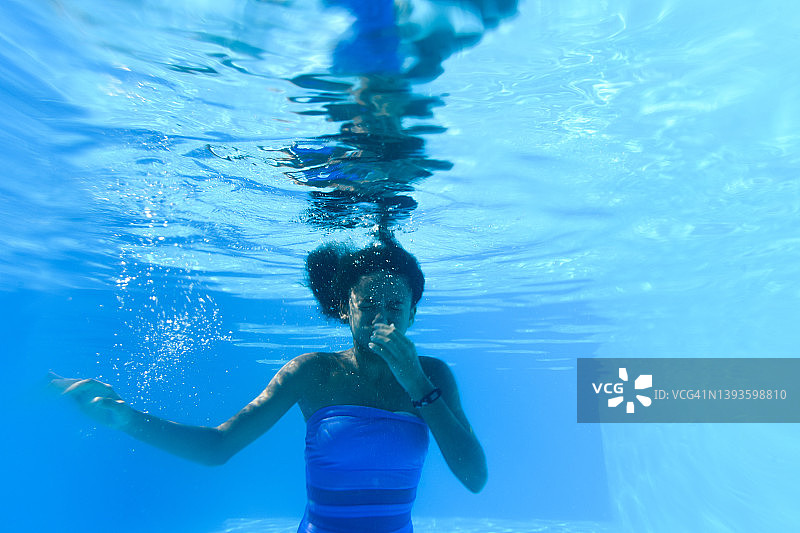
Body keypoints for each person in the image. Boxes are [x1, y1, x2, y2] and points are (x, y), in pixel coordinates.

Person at [51, 238, 487, 533]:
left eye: (395, 305)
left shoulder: (435, 376)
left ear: (413, 312)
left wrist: (415, 382)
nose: (382, 318)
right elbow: (217, 447)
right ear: (344, 310)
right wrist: (125, 418)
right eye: (367, 305)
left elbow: (474, 478)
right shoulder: (312, 372)